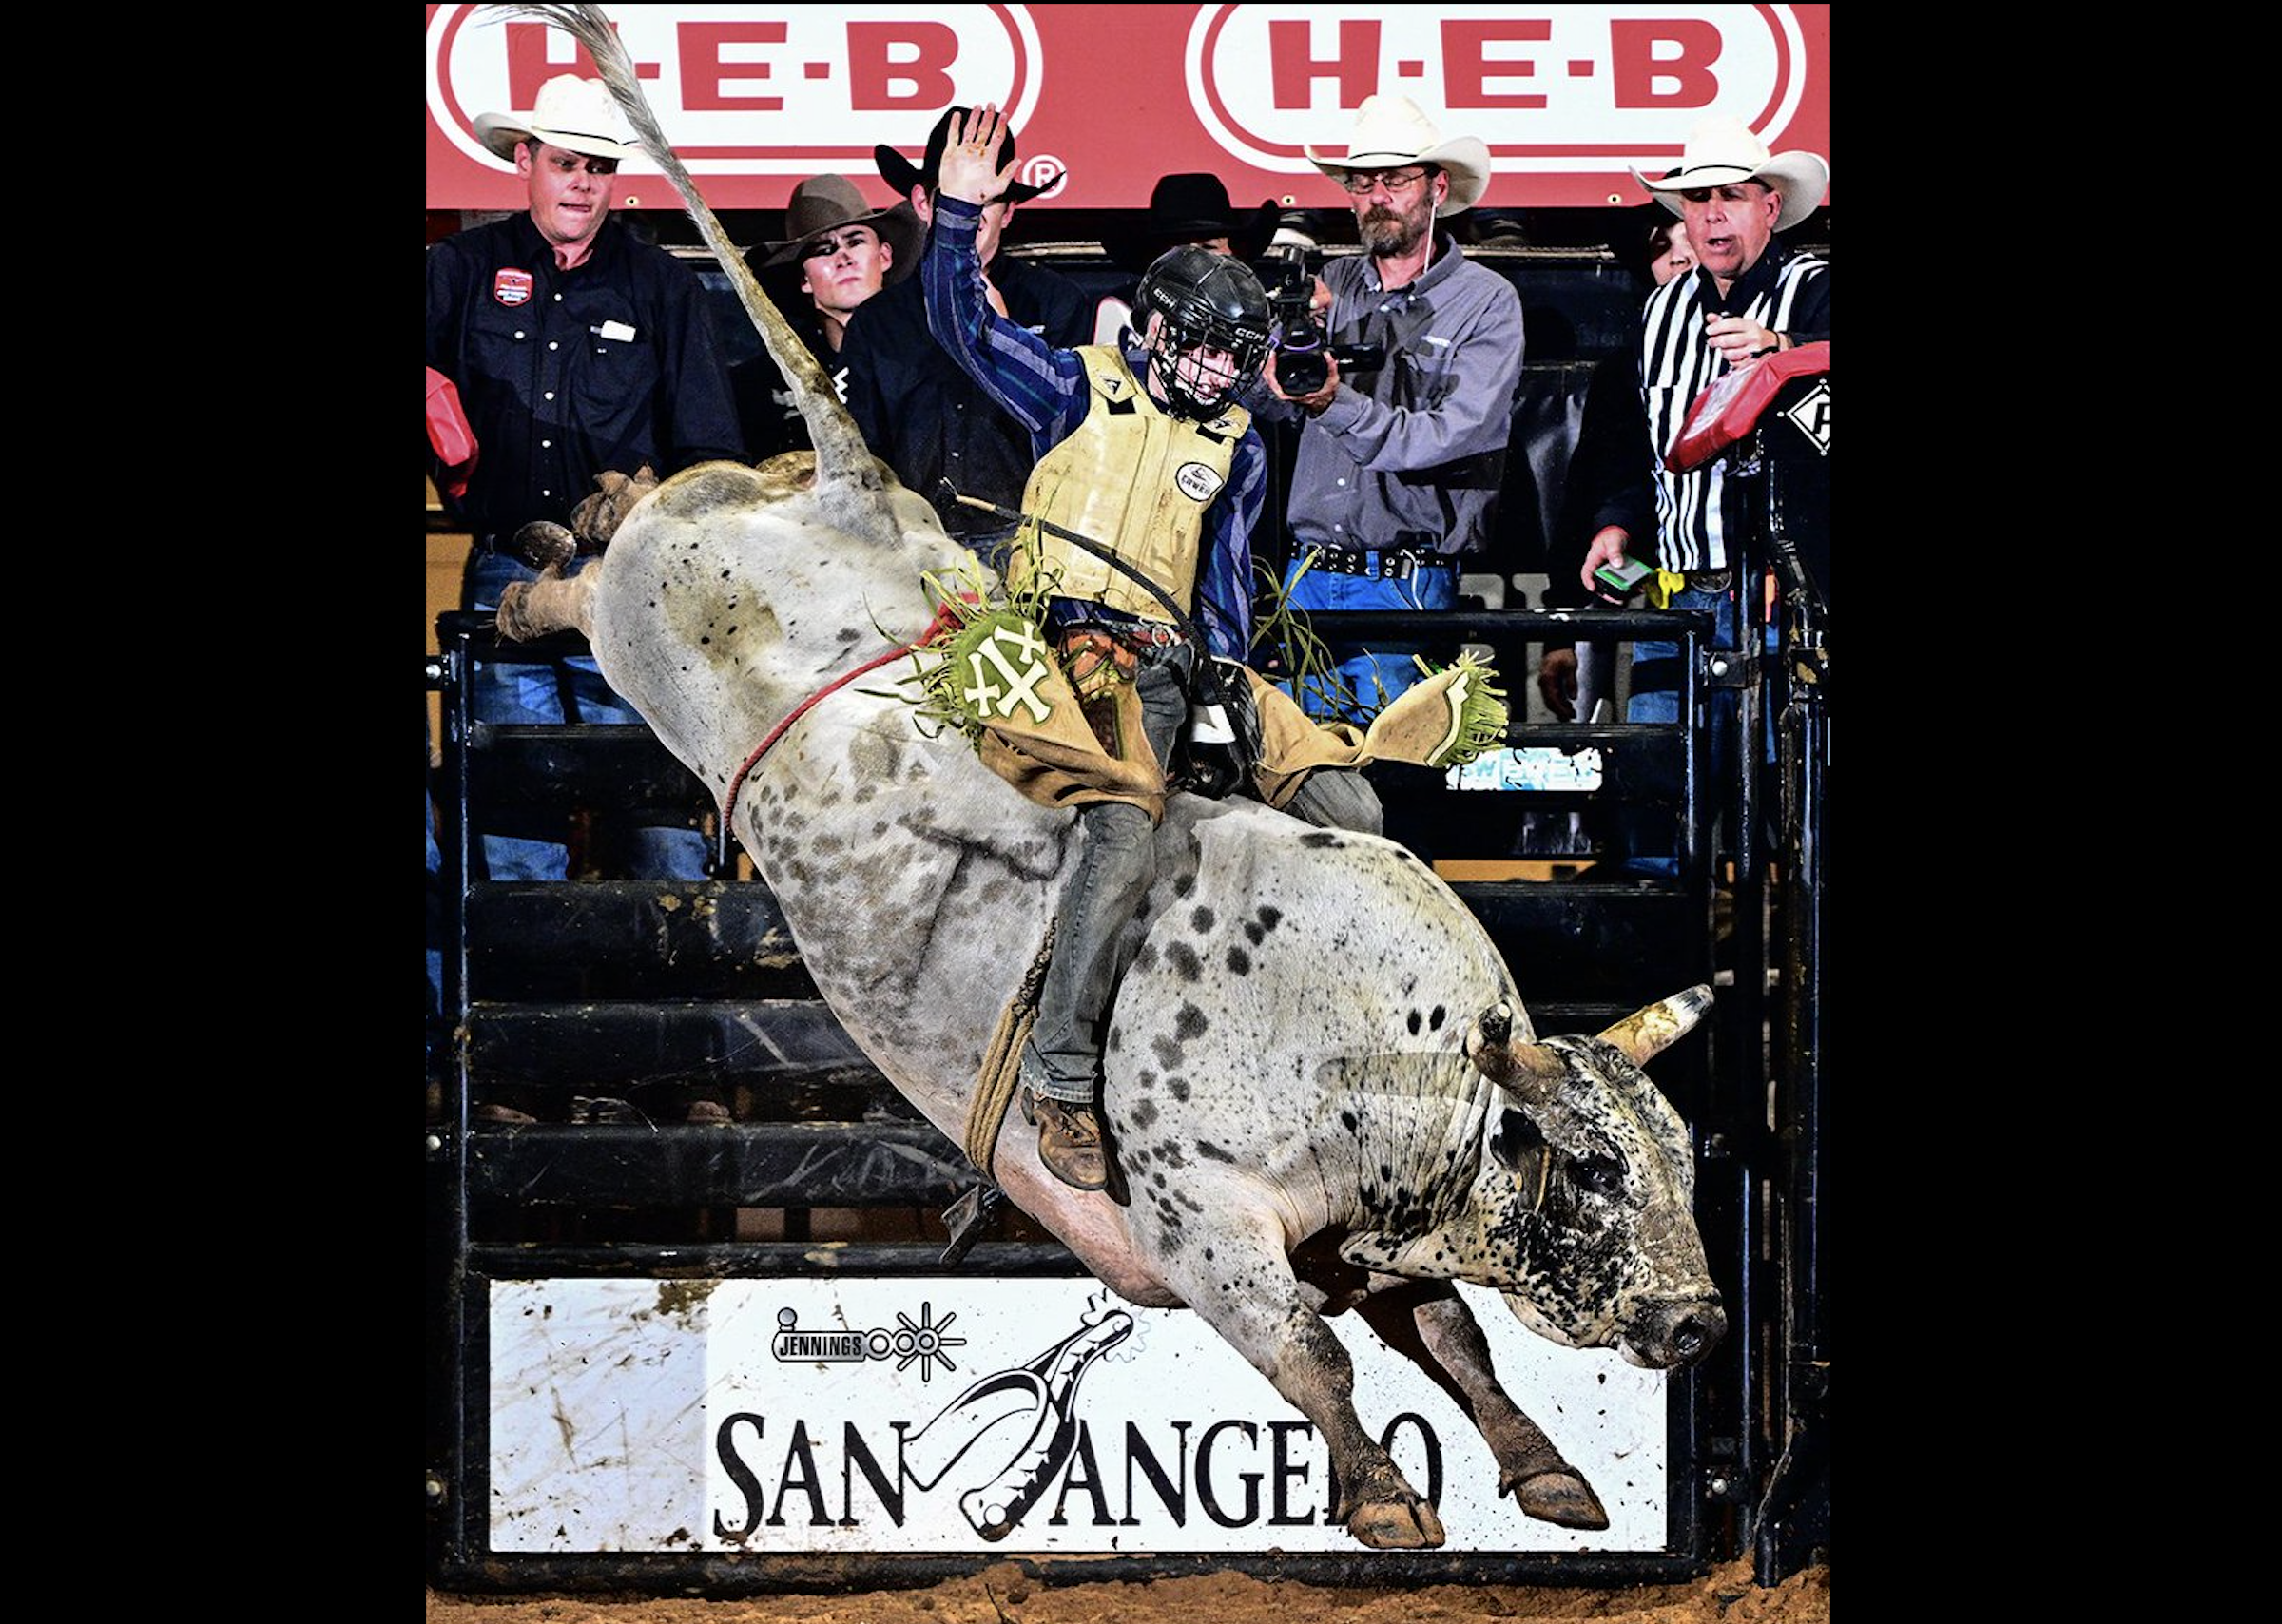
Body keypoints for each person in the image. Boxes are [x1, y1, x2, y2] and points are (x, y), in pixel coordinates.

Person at [919, 106, 1472, 1193]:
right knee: (1124, 829)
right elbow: (963, 328)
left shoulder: (1235, 444)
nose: (1222, 372)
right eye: (1208, 349)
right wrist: (953, 218)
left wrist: (1228, 684)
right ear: (1159, 331)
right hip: (1066, 649)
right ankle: (1059, 1074)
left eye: (1237, 356)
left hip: (1175, 657)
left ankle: (1340, 1040)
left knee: (1355, 808)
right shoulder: (1076, 384)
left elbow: (1220, 583)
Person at [426, 74, 744, 883]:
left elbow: (711, 449)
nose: (582, 183)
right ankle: (516, 963)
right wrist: (450, 454)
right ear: (524, 160)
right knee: (512, 800)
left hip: (632, 579)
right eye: (566, 163)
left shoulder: (663, 287)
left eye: (599, 168)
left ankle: (674, 960)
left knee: (656, 800)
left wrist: (664, 519)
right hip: (507, 567)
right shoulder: (459, 269)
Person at [1581, 116, 1830, 879]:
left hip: (1784, 604)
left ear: (1770, 207)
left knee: (1795, 811)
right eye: (1697, 199)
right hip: (1679, 598)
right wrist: (1618, 524)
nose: (1713, 214)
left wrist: (1784, 352)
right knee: (1658, 801)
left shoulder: (1812, 288)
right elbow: (1646, 449)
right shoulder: (1661, 311)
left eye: (1731, 196)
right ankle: (1668, 948)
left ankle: (1791, 952)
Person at [1261, 94, 1525, 726]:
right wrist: (1279, 337)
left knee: (1391, 762)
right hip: (1306, 574)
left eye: (1395, 181)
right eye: (1362, 182)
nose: (1377, 197)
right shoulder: (1328, 287)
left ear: (1437, 187)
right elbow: (1265, 408)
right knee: (1295, 763)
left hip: (1406, 580)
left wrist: (1334, 402)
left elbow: (1451, 436)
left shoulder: (1486, 302)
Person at [839, 106, 1094, 569]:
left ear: (1008, 211)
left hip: (1030, 549)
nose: (973, 212)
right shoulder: (876, 321)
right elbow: (859, 456)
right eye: (959, 196)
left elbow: (1076, 443)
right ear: (923, 203)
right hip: (910, 553)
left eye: (987, 198)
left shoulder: (1058, 303)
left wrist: (1008, 341)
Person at [1536, 213, 1695, 723]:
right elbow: (1589, 489)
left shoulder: (1758, 347)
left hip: (1763, 605)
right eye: (1661, 245)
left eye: (1691, 238)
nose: (1679, 255)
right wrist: (1562, 630)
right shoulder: (1624, 372)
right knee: (1658, 755)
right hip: (1656, 612)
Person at [730, 174, 920, 461]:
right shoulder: (762, 383)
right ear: (804, 279)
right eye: (824, 250)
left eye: (855, 242)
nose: (843, 258)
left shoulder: (931, 358)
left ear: (884, 257)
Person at [1093, 172, 1278, 346]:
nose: (1196, 261)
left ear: (1235, 254)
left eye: (1209, 247)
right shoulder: (1121, 307)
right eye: (1181, 249)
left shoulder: (1265, 313)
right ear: (1157, 256)